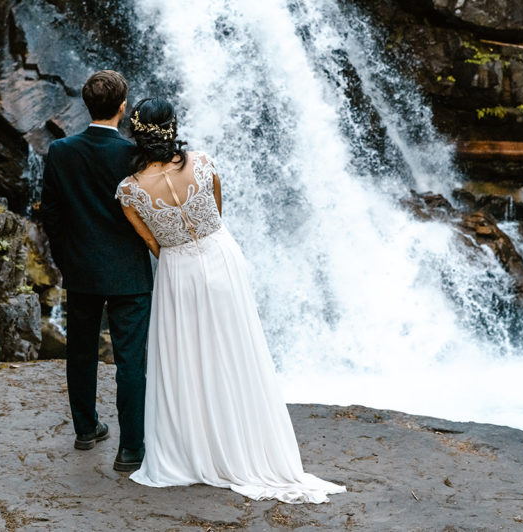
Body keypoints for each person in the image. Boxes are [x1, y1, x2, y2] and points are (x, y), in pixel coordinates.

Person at [115, 98, 345, 504]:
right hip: (222, 257)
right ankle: (247, 441)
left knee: (187, 357)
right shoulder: (202, 162)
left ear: (136, 134)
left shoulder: (130, 191)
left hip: (177, 270)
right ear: (172, 127)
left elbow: (151, 242)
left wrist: (180, 254)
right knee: (238, 350)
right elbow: (216, 212)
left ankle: (196, 449)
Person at [39, 70, 153, 473]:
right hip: (129, 273)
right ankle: (131, 449)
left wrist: (66, 258)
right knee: (130, 361)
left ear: (87, 105)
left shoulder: (61, 151)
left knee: (81, 351)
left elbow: (50, 214)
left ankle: (86, 429)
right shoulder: (135, 155)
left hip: (81, 268)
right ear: (123, 107)